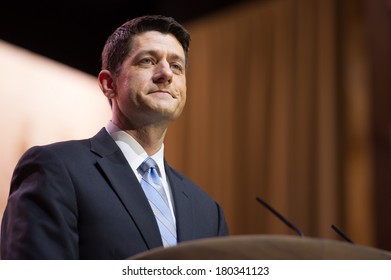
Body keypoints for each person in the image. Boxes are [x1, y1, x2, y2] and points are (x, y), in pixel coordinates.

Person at [0, 15, 229, 259]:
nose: (166, 73)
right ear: (109, 84)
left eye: (176, 66)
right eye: (148, 61)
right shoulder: (55, 168)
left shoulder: (208, 211)